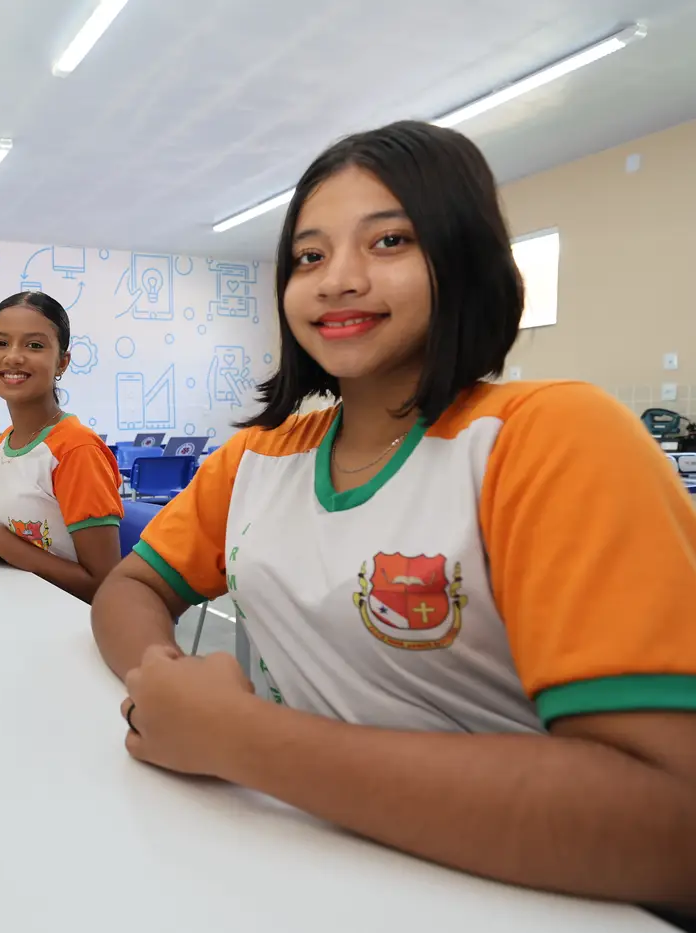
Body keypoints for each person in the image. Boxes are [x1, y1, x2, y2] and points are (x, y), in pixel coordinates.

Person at [91, 121, 696, 917]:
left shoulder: (549, 438)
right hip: (301, 867)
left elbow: (670, 827)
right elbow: (129, 586)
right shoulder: (258, 458)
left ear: (464, 258)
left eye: (389, 242)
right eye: (309, 256)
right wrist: (168, 682)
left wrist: (239, 737)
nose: (337, 280)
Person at [0, 292, 123, 603]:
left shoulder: (76, 450)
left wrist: (2, 543)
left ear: (61, 362)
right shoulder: (6, 441)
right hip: (17, 608)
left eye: (34, 345)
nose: (12, 356)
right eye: (0, 343)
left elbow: (106, 587)